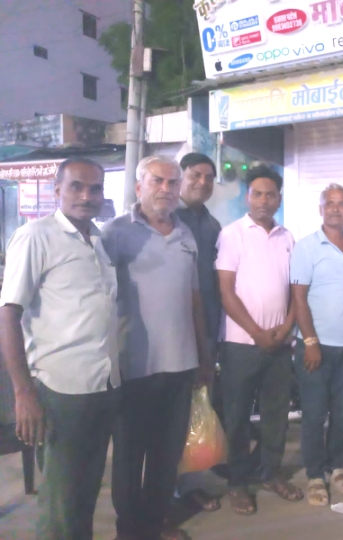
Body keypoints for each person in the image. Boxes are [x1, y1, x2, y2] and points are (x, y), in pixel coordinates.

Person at [0, 158, 119, 540]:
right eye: (76, 187)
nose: (86, 196)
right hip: (60, 389)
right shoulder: (36, 236)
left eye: (95, 188)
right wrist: (23, 393)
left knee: (85, 493)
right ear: (57, 191)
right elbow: (8, 314)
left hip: (101, 385)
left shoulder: (98, 240)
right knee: (61, 501)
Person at [103, 155, 214, 540]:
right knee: (130, 457)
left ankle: (154, 524)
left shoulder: (186, 235)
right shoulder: (115, 234)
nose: (166, 189)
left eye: (172, 182)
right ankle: (128, 530)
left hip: (181, 365)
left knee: (166, 458)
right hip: (133, 368)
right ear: (139, 187)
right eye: (157, 181)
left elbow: (194, 298)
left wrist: (203, 356)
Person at [215, 164, 300, 516]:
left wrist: (287, 327)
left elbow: (296, 290)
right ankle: (238, 483)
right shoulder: (232, 234)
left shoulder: (287, 237)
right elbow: (226, 291)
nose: (264, 200)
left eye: (270, 195)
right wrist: (256, 332)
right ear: (248, 197)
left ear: (279, 198)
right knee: (236, 416)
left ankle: (269, 473)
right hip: (240, 344)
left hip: (280, 343)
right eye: (257, 194)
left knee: (276, 414)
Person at [290, 183, 343, 506]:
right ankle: (314, 474)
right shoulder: (306, 247)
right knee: (314, 413)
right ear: (321, 209)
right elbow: (298, 298)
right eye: (330, 203)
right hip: (315, 347)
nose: (336, 208)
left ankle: (336, 466)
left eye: (342, 203)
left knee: (342, 412)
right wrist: (310, 341)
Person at [174, 152, 223, 512]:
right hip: (169, 333)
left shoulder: (211, 225)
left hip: (205, 329)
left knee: (195, 412)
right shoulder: (164, 218)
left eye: (208, 177)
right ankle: (160, 493)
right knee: (166, 416)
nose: (202, 182)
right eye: (195, 175)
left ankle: (188, 485)